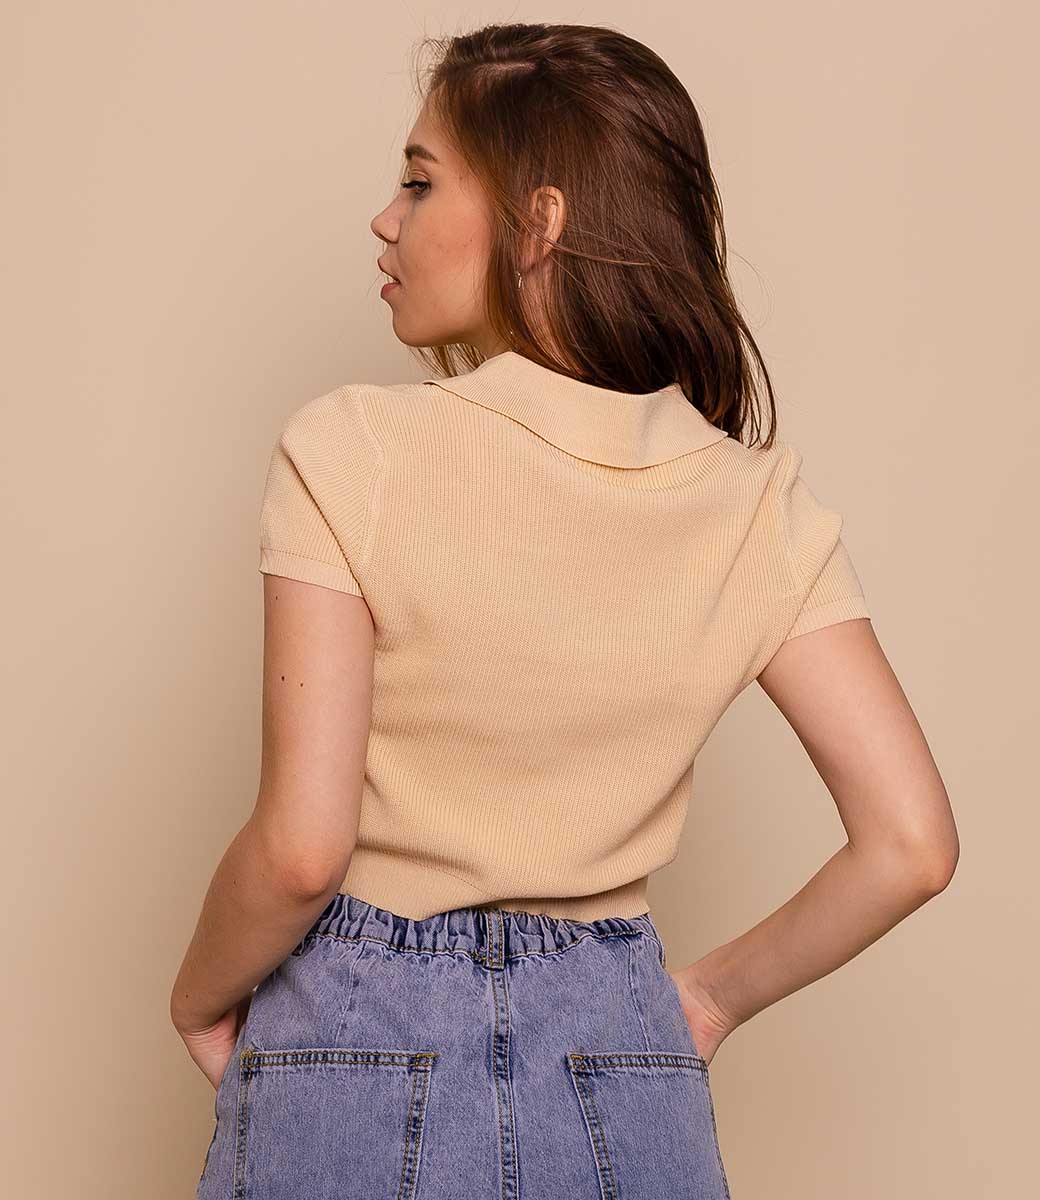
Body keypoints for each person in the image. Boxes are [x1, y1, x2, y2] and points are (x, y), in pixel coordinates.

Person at [173, 22, 958, 1200]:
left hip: (355, 1030)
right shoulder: (754, 504)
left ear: (537, 223)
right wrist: (704, 1000)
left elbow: (299, 851)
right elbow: (910, 845)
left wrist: (196, 998)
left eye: (419, 182)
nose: (385, 220)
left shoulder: (355, 449)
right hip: (620, 1046)